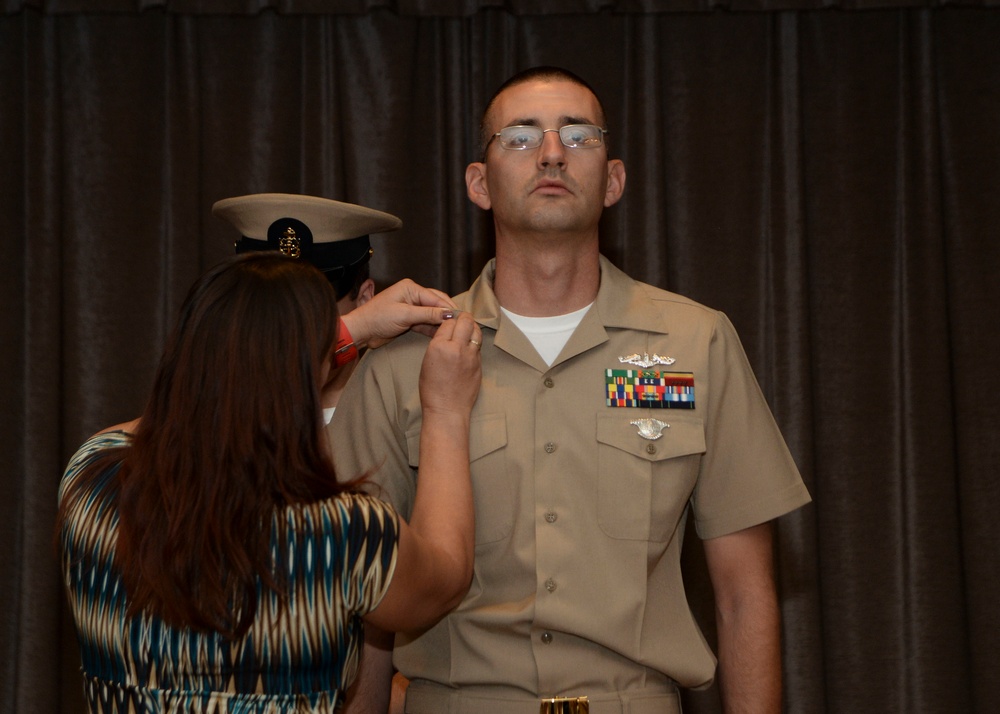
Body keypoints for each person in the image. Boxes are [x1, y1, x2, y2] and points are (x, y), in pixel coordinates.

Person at [330, 66, 812, 714]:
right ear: (479, 183)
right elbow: (367, 606)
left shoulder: (696, 345)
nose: (553, 153)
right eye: (521, 137)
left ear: (613, 179)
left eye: (579, 136)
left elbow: (744, 593)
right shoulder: (407, 361)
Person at [55, 251, 483, 713]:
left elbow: (170, 416)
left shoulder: (89, 480)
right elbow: (444, 576)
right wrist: (444, 411)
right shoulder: (339, 532)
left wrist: (341, 332)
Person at [213, 192, 439, 414]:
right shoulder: (220, 414)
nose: (289, 327)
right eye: (267, 307)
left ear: (364, 299)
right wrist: (355, 329)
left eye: (312, 308)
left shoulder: (407, 405)